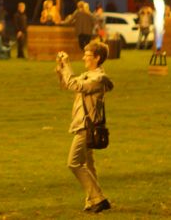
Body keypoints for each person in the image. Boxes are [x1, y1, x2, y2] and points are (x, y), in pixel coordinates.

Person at [56, 41, 113, 214]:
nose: (84, 58)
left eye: (87, 55)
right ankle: (92, 200)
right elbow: (67, 84)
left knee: (73, 163)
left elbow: (76, 85)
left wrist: (67, 65)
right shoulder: (89, 74)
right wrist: (61, 67)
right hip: (83, 125)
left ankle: (99, 198)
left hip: (86, 127)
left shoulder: (98, 79)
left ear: (97, 58)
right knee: (88, 165)